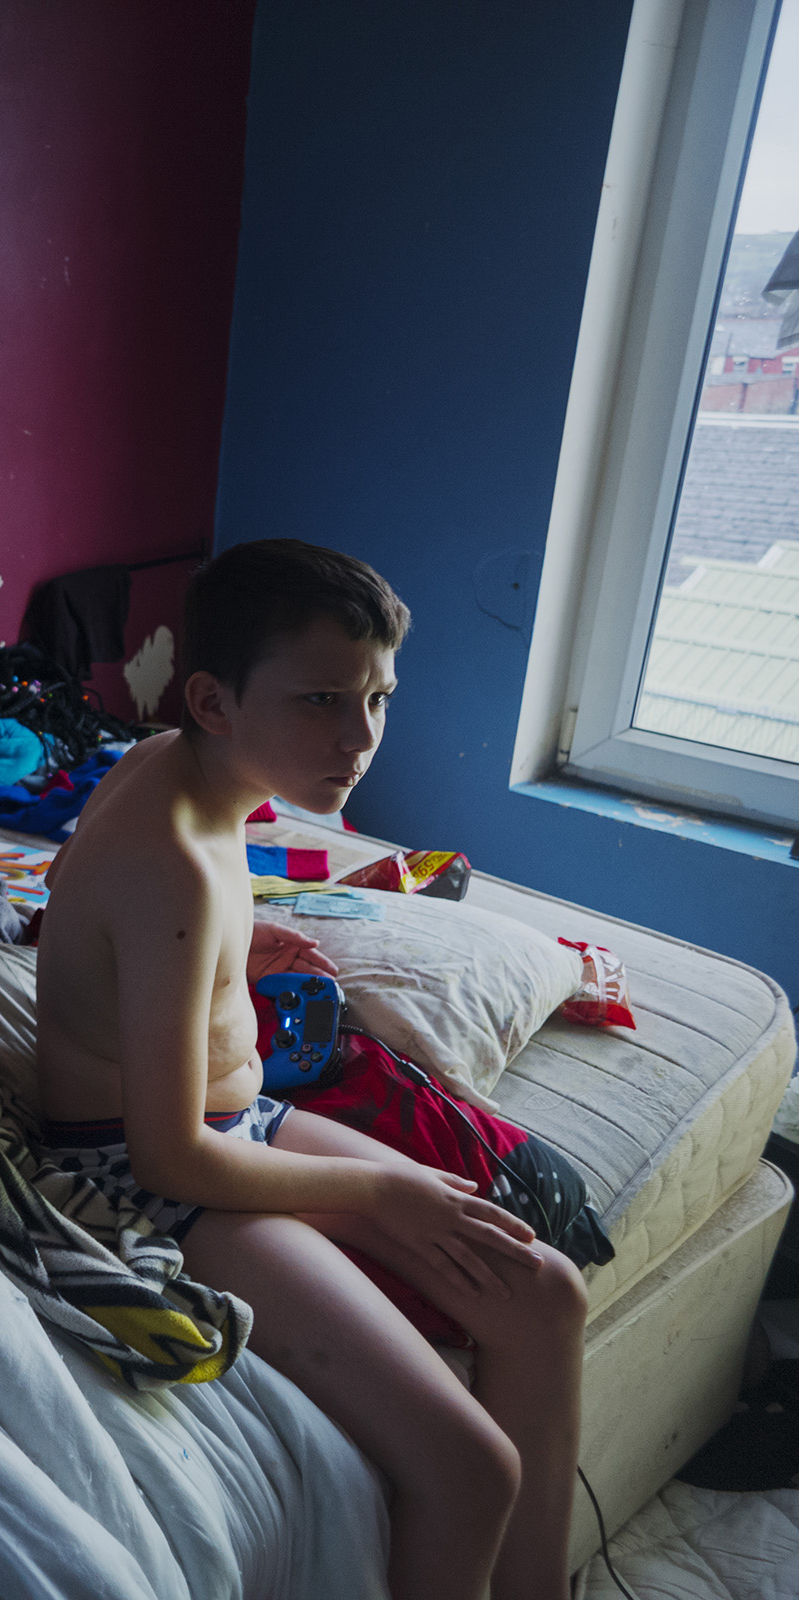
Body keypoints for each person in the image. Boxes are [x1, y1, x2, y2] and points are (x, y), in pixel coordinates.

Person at [35, 539, 585, 1600]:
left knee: (541, 1293)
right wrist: (381, 1184)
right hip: (145, 1182)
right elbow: (167, 1152)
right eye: (321, 699)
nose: (359, 737)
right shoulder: (168, 866)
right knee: (469, 1470)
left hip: (236, 1123)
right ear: (210, 698)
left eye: (377, 696)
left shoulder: (184, 766)